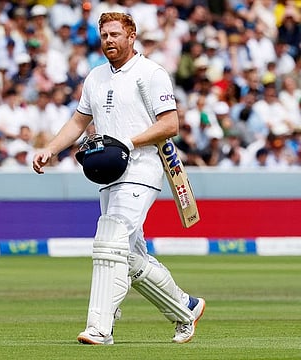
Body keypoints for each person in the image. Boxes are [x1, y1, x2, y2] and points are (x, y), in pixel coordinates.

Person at [32, 12, 205, 345]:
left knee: (109, 241)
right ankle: (186, 308)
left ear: (131, 35)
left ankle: (100, 327)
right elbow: (78, 121)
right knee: (129, 256)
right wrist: (50, 149)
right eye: (104, 35)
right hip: (108, 172)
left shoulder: (150, 73)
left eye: (115, 34)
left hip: (142, 167)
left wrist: (130, 141)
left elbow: (170, 125)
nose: (109, 40)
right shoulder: (95, 77)